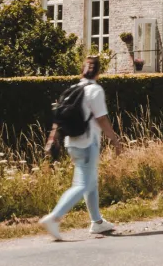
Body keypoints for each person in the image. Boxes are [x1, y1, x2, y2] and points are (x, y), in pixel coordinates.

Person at [39, 55, 123, 240]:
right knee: (82, 184)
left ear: (82, 71)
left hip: (72, 142)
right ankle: (55, 217)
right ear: (99, 72)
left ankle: (97, 222)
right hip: (88, 142)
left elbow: (58, 118)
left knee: (90, 182)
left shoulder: (72, 89)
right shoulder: (95, 90)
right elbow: (101, 119)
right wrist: (115, 141)